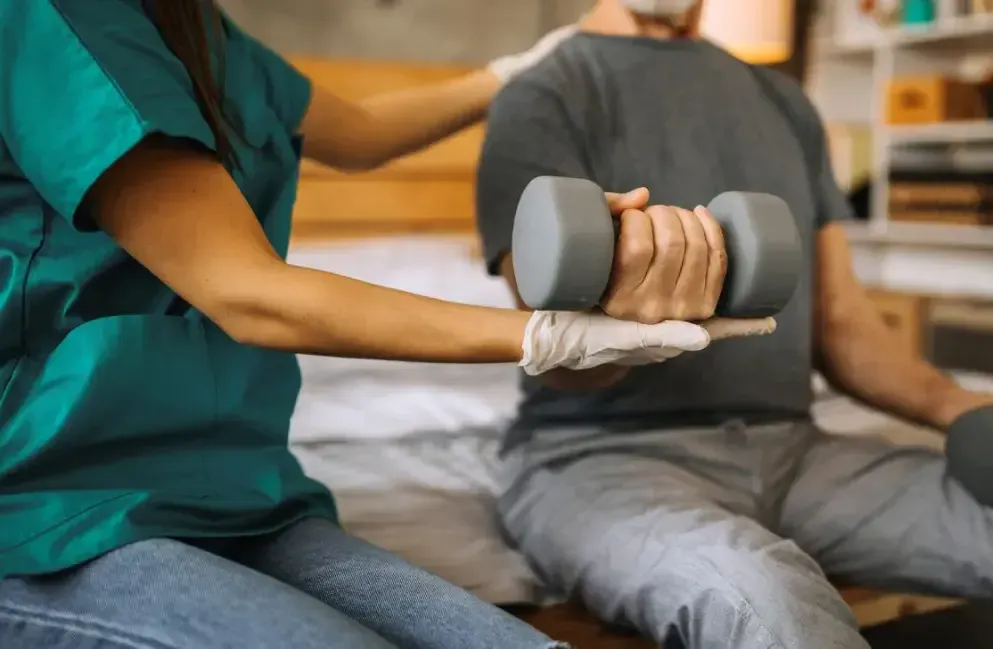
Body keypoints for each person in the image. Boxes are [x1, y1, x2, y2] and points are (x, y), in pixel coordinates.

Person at [0, 1, 737, 648]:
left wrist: (516, 69)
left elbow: (361, 134)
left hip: (231, 494)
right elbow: (247, 291)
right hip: (47, 510)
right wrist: (542, 336)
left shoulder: (190, 28)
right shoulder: (50, 14)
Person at [475, 2, 993, 649]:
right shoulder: (542, 95)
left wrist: (965, 404)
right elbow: (554, 356)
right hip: (595, 455)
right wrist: (629, 328)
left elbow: (840, 320)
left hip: (793, 452)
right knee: (765, 589)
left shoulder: (783, 102)